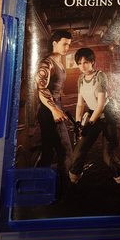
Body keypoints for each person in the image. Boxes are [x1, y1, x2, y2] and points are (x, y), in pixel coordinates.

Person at [68, 47, 120, 186]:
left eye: (85, 62)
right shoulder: (81, 79)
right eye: (79, 63)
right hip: (93, 114)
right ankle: (74, 181)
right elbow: (80, 104)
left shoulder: (100, 76)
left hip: (107, 116)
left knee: (107, 156)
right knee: (78, 152)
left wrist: (89, 124)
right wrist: (78, 123)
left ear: (92, 62)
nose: (82, 66)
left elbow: (100, 105)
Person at [35, 30, 73, 189]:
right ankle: (66, 190)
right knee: (66, 151)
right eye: (64, 44)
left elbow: (55, 86)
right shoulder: (47, 63)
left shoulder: (59, 62)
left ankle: (38, 184)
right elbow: (41, 88)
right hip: (49, 110)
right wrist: (54, 110)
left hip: (54, 106)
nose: (67, 48)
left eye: (69, 45)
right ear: (54, 43)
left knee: (48, 152)